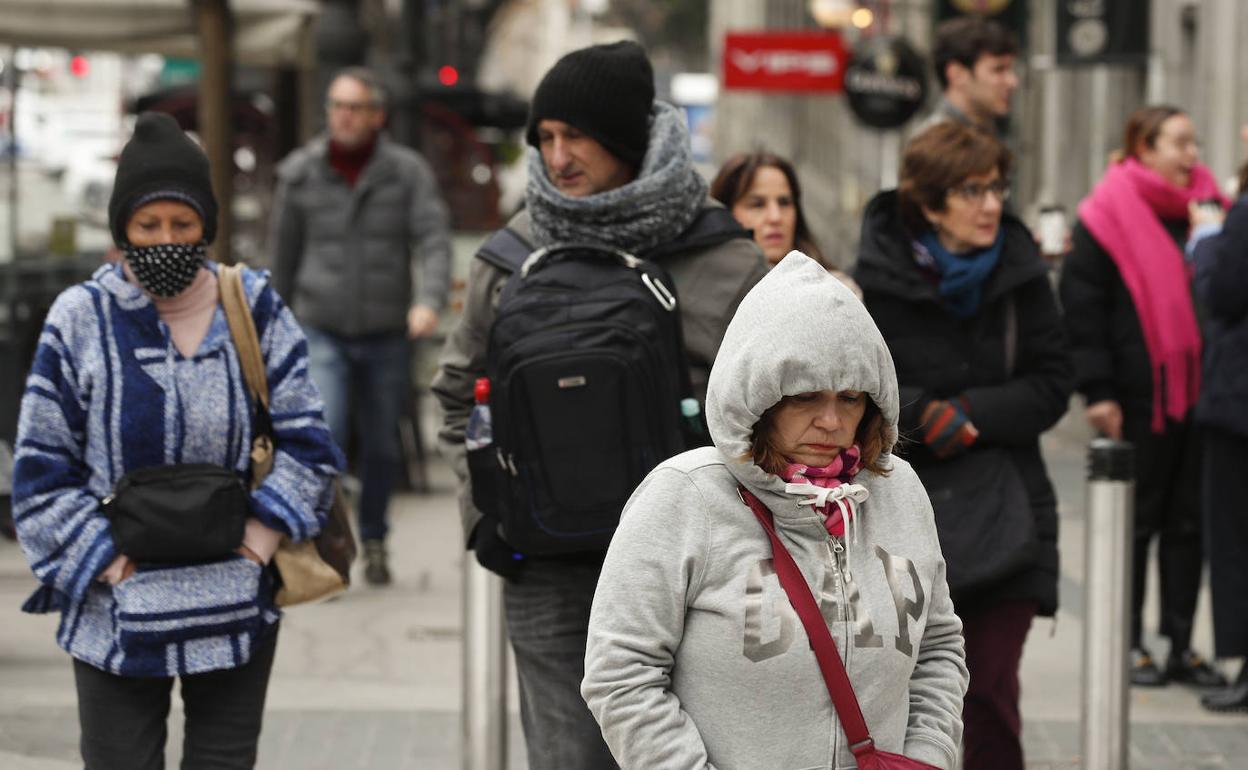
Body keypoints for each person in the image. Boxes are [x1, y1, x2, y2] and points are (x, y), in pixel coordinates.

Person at [433, 40, 767, 768]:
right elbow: (459, 393)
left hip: (689, 571)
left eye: (575, 135)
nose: (557, 157)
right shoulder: (511, 255)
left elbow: (773, 409)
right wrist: (486, 514)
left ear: (626, 138)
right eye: (545, 138)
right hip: (546, 564)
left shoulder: (726, 260)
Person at [11, 112, 341, 769]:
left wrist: (258, 543)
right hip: (116, 608)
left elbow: (310, 443)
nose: (166, 239)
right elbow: (40, 473)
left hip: (236, 602)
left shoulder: (253, 307)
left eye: (182, 225)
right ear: (122, 231)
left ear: (206, 229)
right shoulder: (79, 319)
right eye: (148, 225)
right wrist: (106, 561)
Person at [581, 252, 968, 769]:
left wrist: (929, 755)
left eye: (851, 397)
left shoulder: (900, 491)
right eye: (805, 396)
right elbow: (621, 675)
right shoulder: (683, 497)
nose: (831, 421)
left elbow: (939, 647)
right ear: (757, 399)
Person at [853, 122, 1072, 770]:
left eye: (997, 187)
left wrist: (973, 415)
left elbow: (1055, 380)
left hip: (1010, 511)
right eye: (971, 190)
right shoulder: (879, 277)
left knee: (991, 698)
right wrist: (926, 416)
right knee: (903, 696)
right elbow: (864, 385)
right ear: (929, 201)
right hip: (907, 516)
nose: (990, 204)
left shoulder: (1021, 270)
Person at [1059, 105, 1227, 690]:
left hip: (1201, 394)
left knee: (1190, 522)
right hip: (1135, 394)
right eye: (1179, 143)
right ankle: (1127, 643)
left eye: (1194, 142)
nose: (1192, 156)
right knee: (1136, 522)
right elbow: (1083, 308)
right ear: (1143, 147)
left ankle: (1180, 644)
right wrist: (1098, 389)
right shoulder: (1107, 212)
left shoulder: (1208, 212)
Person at [270, 66, 452, 585]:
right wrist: (273, 327)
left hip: (387, 330)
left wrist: (429, 299)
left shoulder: (406, 172)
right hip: (320, 327)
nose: (344, 116)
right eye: (336, 106)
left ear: (377, 115)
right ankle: (323, 540)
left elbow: (434, 239)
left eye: (355, 107)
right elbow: (281, 258)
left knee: (379, 444)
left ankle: (373, 538)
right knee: (326, 430)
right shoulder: (300, 173)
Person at [1187, 148, 1248, 712]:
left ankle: (1242, 664)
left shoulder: (1242, 212)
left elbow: (1223, 292)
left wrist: (1207, 240)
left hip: (1237, 406)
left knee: (1231, 536)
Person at [710, 149, 861, 297]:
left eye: (784, 203)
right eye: (757, 204)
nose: (775, 217)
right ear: (726, 214)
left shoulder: (838, 292)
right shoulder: (705, 294)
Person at [918, 15, 1019, 139]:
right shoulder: (937, 145)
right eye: (998, 69)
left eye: (1010, 69)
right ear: (957, 74)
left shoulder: (981, 133)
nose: (1012, 82)